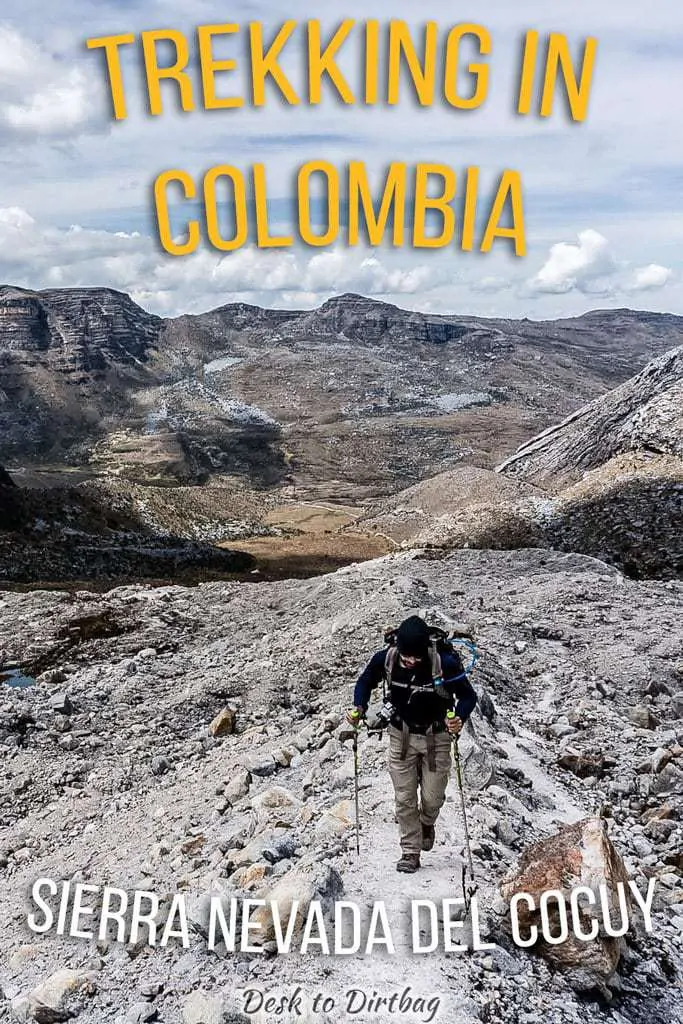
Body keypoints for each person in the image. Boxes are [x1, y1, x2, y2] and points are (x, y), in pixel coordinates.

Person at [347, 615, 477, 873]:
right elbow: (365, 681)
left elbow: (467, 695)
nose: (410, 661)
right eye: (406, 656)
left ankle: (427, 822)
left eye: (415, 657)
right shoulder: (387, 658)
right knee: (404, 799)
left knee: (432, 797)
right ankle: (410, 852)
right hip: (400, 735)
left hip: (437, 737)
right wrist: (358, 706)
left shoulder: (444, 663)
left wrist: (459, 717)